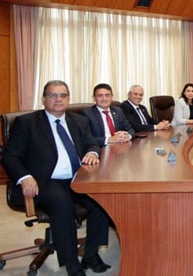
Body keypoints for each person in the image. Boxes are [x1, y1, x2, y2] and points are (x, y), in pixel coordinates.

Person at [1, 80, 112, 276]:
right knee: (63, 204)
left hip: (76, 179)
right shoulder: (27, 123)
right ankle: (72, 264)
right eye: (52, 95)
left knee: (102, 201)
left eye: (63, 95)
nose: (58, 99)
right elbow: (10, 157)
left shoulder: (79, 121)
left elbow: (92, 143)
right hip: (43, 181)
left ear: (68, 99)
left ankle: (91, 254)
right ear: (44, 99)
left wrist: (92, 152)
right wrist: (25, 177)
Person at [83, 83, 134, 148]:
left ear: (111, 97)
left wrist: (127, 136)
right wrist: (109, 139)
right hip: (101, 148)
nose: (104, 99)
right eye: (100, 96)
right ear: (94, 98)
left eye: (107, 95)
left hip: (120, 147)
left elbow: (130, 128)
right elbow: (86, 139)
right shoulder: (87, 114)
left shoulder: (118, 111)